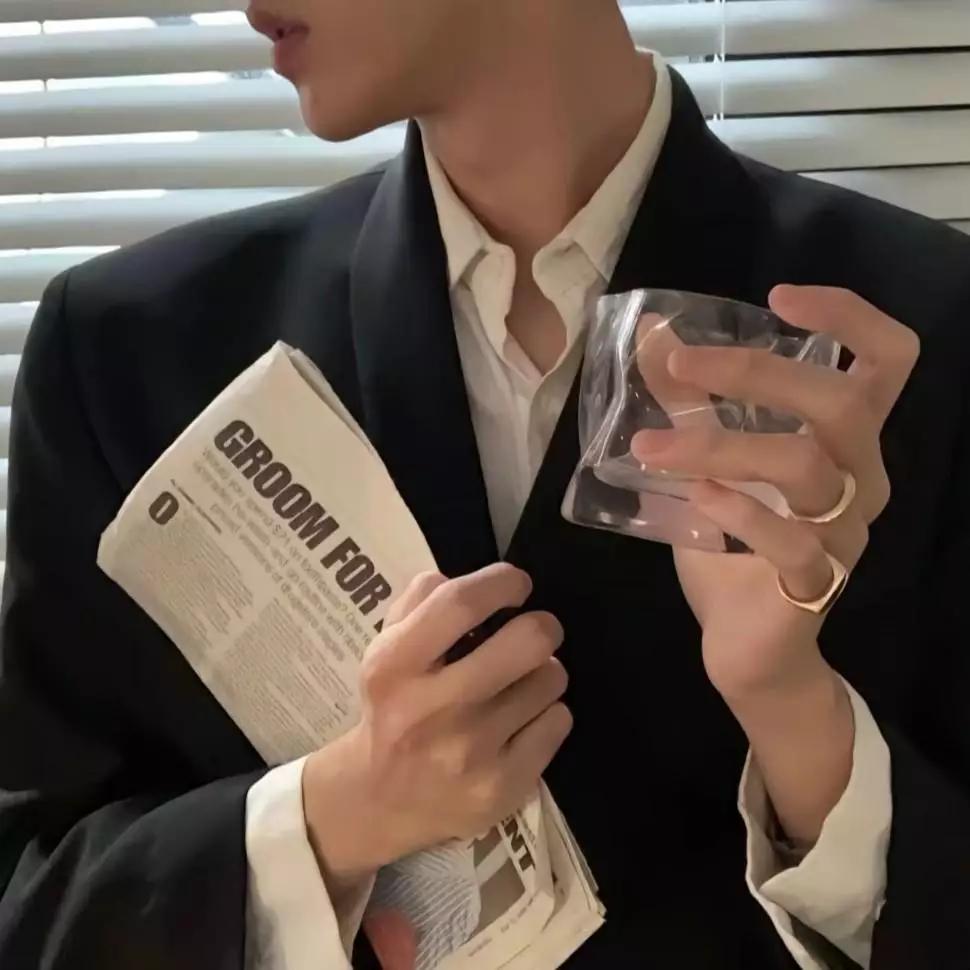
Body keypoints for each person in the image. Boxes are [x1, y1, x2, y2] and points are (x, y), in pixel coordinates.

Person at [0, 1, 968, 968]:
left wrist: (794, 711)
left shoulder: (922, 332)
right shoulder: (129, 354)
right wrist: (335, 815)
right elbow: (33, 908)